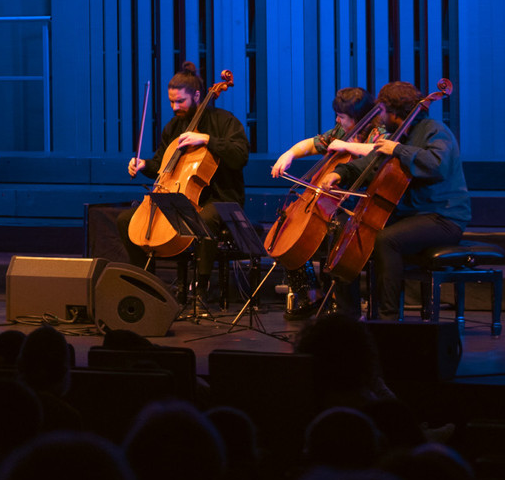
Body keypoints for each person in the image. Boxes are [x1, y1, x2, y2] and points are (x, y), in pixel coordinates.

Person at [327, 79, 470, 319]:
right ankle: (347, 313)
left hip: (443, 216)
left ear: (394, 112)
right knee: (345, 226)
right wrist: (339, 173)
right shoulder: (400, 134)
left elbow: (437, 164)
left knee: (387, 240)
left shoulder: (433, 130)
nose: (379, 116)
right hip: (412, 214)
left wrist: (397, 149)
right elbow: (372, 164)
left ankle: (388, 318)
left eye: (382, 110)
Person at [117, 61, 249, 300]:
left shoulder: (224, 121)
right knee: (126, 220)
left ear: (197, 95)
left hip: (221, 198)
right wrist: (143, 164)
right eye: (171, 101)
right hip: (178, 196)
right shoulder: (173, 127)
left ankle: (202, 286)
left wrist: (207, 139)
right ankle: (145, 281)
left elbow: (240, 155)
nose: (174, 107)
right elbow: (161, 165)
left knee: (203, 219)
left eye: (180, 101)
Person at [268, 86, 376, 318]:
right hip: (330, 200)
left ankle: (339, 302)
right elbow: (313, 143)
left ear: (358, 117)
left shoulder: (378, 131)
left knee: (336, 230)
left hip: (360, 203)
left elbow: (380, 152)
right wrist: (289, 154)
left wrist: (347, 146)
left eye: (342, 116)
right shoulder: (341, 129)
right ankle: (309, 294)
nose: (337, 120)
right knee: (288, 230)